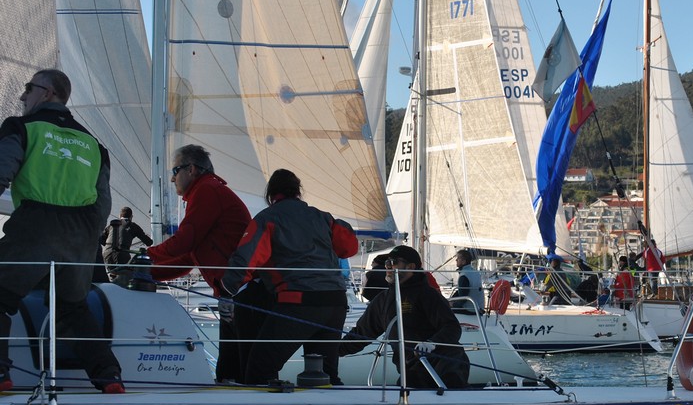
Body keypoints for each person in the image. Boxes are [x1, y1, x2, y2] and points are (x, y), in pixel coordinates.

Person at [0, 69, 123, 392]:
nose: (23, 95)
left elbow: (2, 171)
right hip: (82, 235)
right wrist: (87, 239)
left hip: (35, 227)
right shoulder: (93, 144)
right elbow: (103, 203)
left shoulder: (20, 127)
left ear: (47, 93)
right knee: (72, 308)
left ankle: (1, 375)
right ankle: (109, 377)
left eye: (28, 88)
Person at [220, 169, 357, 385]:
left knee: (259, 368)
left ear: (270, 194)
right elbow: (349, 248)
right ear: (298, 192)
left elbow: (246, 259)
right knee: (324, 374)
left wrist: (226, 291)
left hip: (299, 302)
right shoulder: (323, 217)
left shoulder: (267, 219)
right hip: (335, 301)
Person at [146, 144, 251, 382]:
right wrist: (147, 272)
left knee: (240, 370)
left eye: (175, 171)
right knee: (231, 370)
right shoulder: (208, 190)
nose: (172, 179)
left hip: (242, 292)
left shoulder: (207, 191)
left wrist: (145, 255)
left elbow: (185, 242)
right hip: (235, 293)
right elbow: (189, 257)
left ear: (191, 169)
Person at [339, 245, 469, 388]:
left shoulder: (428, 295)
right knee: (406, 387)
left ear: (410, 267)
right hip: (412, 369)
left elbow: (452, 327)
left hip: (445, 365)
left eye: (393, 262)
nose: (388, 266)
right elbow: (361, 334)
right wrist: (332, 350)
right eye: (387, 262)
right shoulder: (383, 300)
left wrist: (432, 343)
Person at [101, 206, 153, 284]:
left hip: (107, 253)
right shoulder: (133, 226)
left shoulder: (111, 225)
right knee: (123, 276)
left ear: (119, 216)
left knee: (112, 275)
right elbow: (149, 242)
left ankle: (112, 284)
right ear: (131, 217)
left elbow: (101, 240)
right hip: (122, 253)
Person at [449, 249, 484, 314]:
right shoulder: (475, 272)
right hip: (479, 308)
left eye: (458, 258)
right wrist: (451, 299)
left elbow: (463, 298)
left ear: (463, 261)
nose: (456, 260)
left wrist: (453, 305)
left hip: (470, 309)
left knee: (443, 309)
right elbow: (462, 291)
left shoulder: (464, 275)